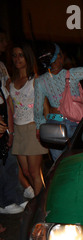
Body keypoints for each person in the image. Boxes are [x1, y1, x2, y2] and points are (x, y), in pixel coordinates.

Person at [8, 42, 47, 197]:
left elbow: (45, 107)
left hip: (32, 129)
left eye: (21, 55)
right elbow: (11, 108)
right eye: (14, 55)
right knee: (25, 171)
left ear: (27, 57)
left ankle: (40, 207)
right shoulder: (11, 82)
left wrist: (40, 128)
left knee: (34, 171)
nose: (17, 59)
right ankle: (42, 198)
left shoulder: (35, 80)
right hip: (18, 130)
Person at [0, 30, 25, 214]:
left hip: (4, 109)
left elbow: (7, 93)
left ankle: (13, 196)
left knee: (9, 159)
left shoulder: (1, 65)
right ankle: (6, 201)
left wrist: (10, 127)